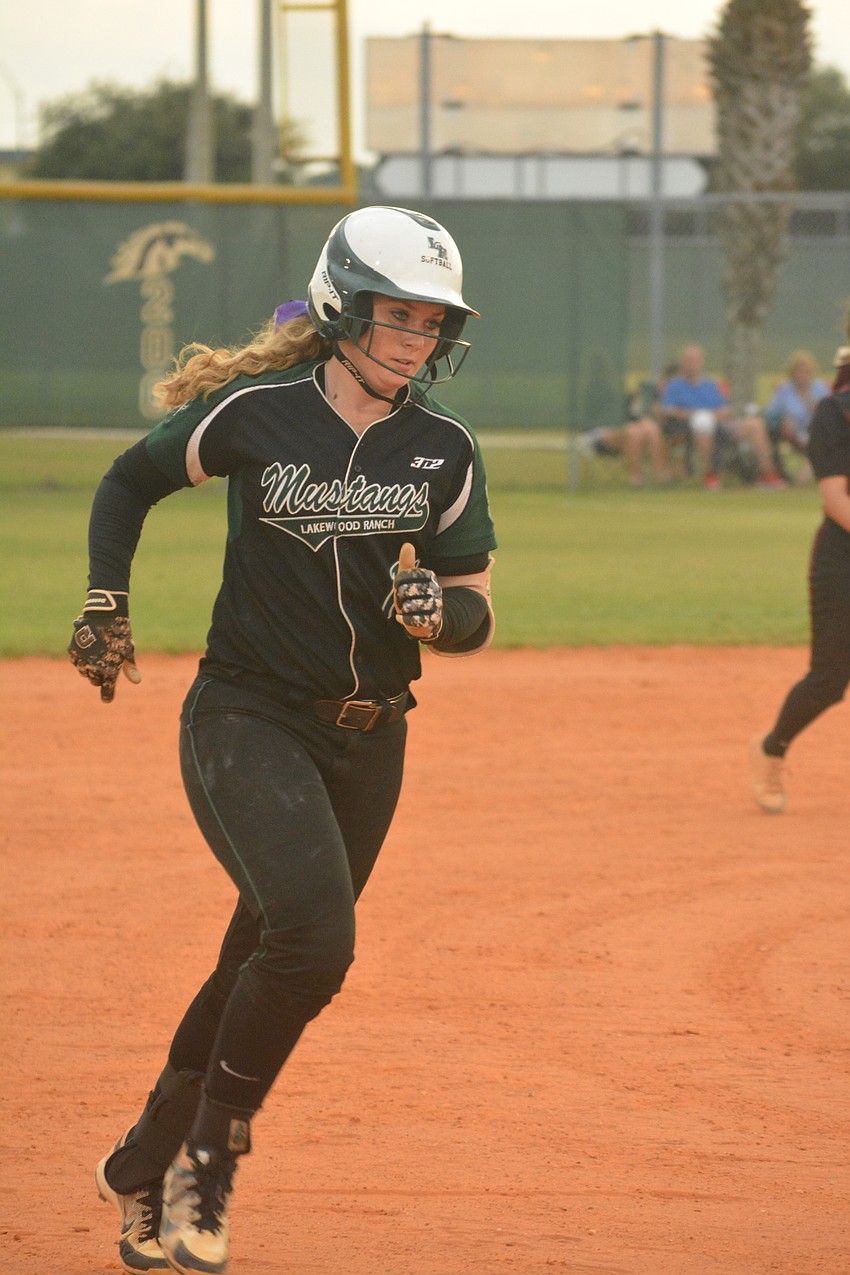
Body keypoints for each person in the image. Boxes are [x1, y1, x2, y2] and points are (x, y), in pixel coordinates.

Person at [67, 205, 497, 1275]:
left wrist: (440, 618)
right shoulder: (257, 414)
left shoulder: (444, 449)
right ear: (344, 307)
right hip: (245, 715)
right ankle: (204, 1164)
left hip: (370, 738)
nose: (418, 339)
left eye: (433, 322)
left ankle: (143, 1164)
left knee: (264, 949)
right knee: (315, 938)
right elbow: (130, 479)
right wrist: (105, 601)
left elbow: (476, 605)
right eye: (399, 316)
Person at [750, 334, 850, 813]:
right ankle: (772, 750)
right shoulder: (835, 414)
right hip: (842, 559)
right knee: (830, 679)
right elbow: (835, 501)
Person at [660, 343, 786, 490]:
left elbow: (726, 409)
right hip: (690, 426)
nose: (692, 364)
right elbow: (667, 410)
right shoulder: (674, 386)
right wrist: (695, 415)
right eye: (688, 360)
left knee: (755, 424)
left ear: (701, 361)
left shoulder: (710, 384)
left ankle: (766, 473)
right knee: (703, 423)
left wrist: (716, 415)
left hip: (720, 423)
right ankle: (711, 474)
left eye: (695, 360)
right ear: (683, 362)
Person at [763, 349, 830, 477]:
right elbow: (770, 414)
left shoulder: (820, 389)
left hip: (818, 431)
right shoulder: (784, 390)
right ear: (792, 373)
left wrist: (820, 409)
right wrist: (783, 418)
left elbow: (832, 412)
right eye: (799, 372)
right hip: (792, 434)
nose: (803, 375)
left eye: (807, 372)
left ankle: (808, 471)